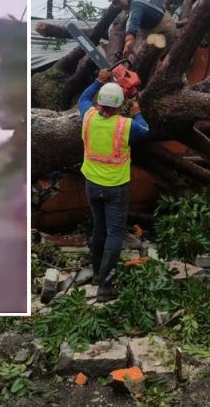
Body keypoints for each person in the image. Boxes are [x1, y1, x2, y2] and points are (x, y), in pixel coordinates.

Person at [78, 70, 150, 302]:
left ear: (99, 103)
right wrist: (137, 112)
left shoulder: (88, 116)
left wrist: (98, 80)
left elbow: (83, 99)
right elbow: (145, 131)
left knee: (99, 228)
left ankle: (98, 276)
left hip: (91, 184)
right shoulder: (125, 125)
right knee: (114, 233)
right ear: (121, 105)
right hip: (115, 188)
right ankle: (105, 288)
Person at [105, 0, 178, 58]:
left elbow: (133, 20)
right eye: (115, 4)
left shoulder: (136, 6)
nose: (119, 6)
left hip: (162, 30)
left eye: (118, 2)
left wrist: (129, 40)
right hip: (164, 17)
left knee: (150, 58)